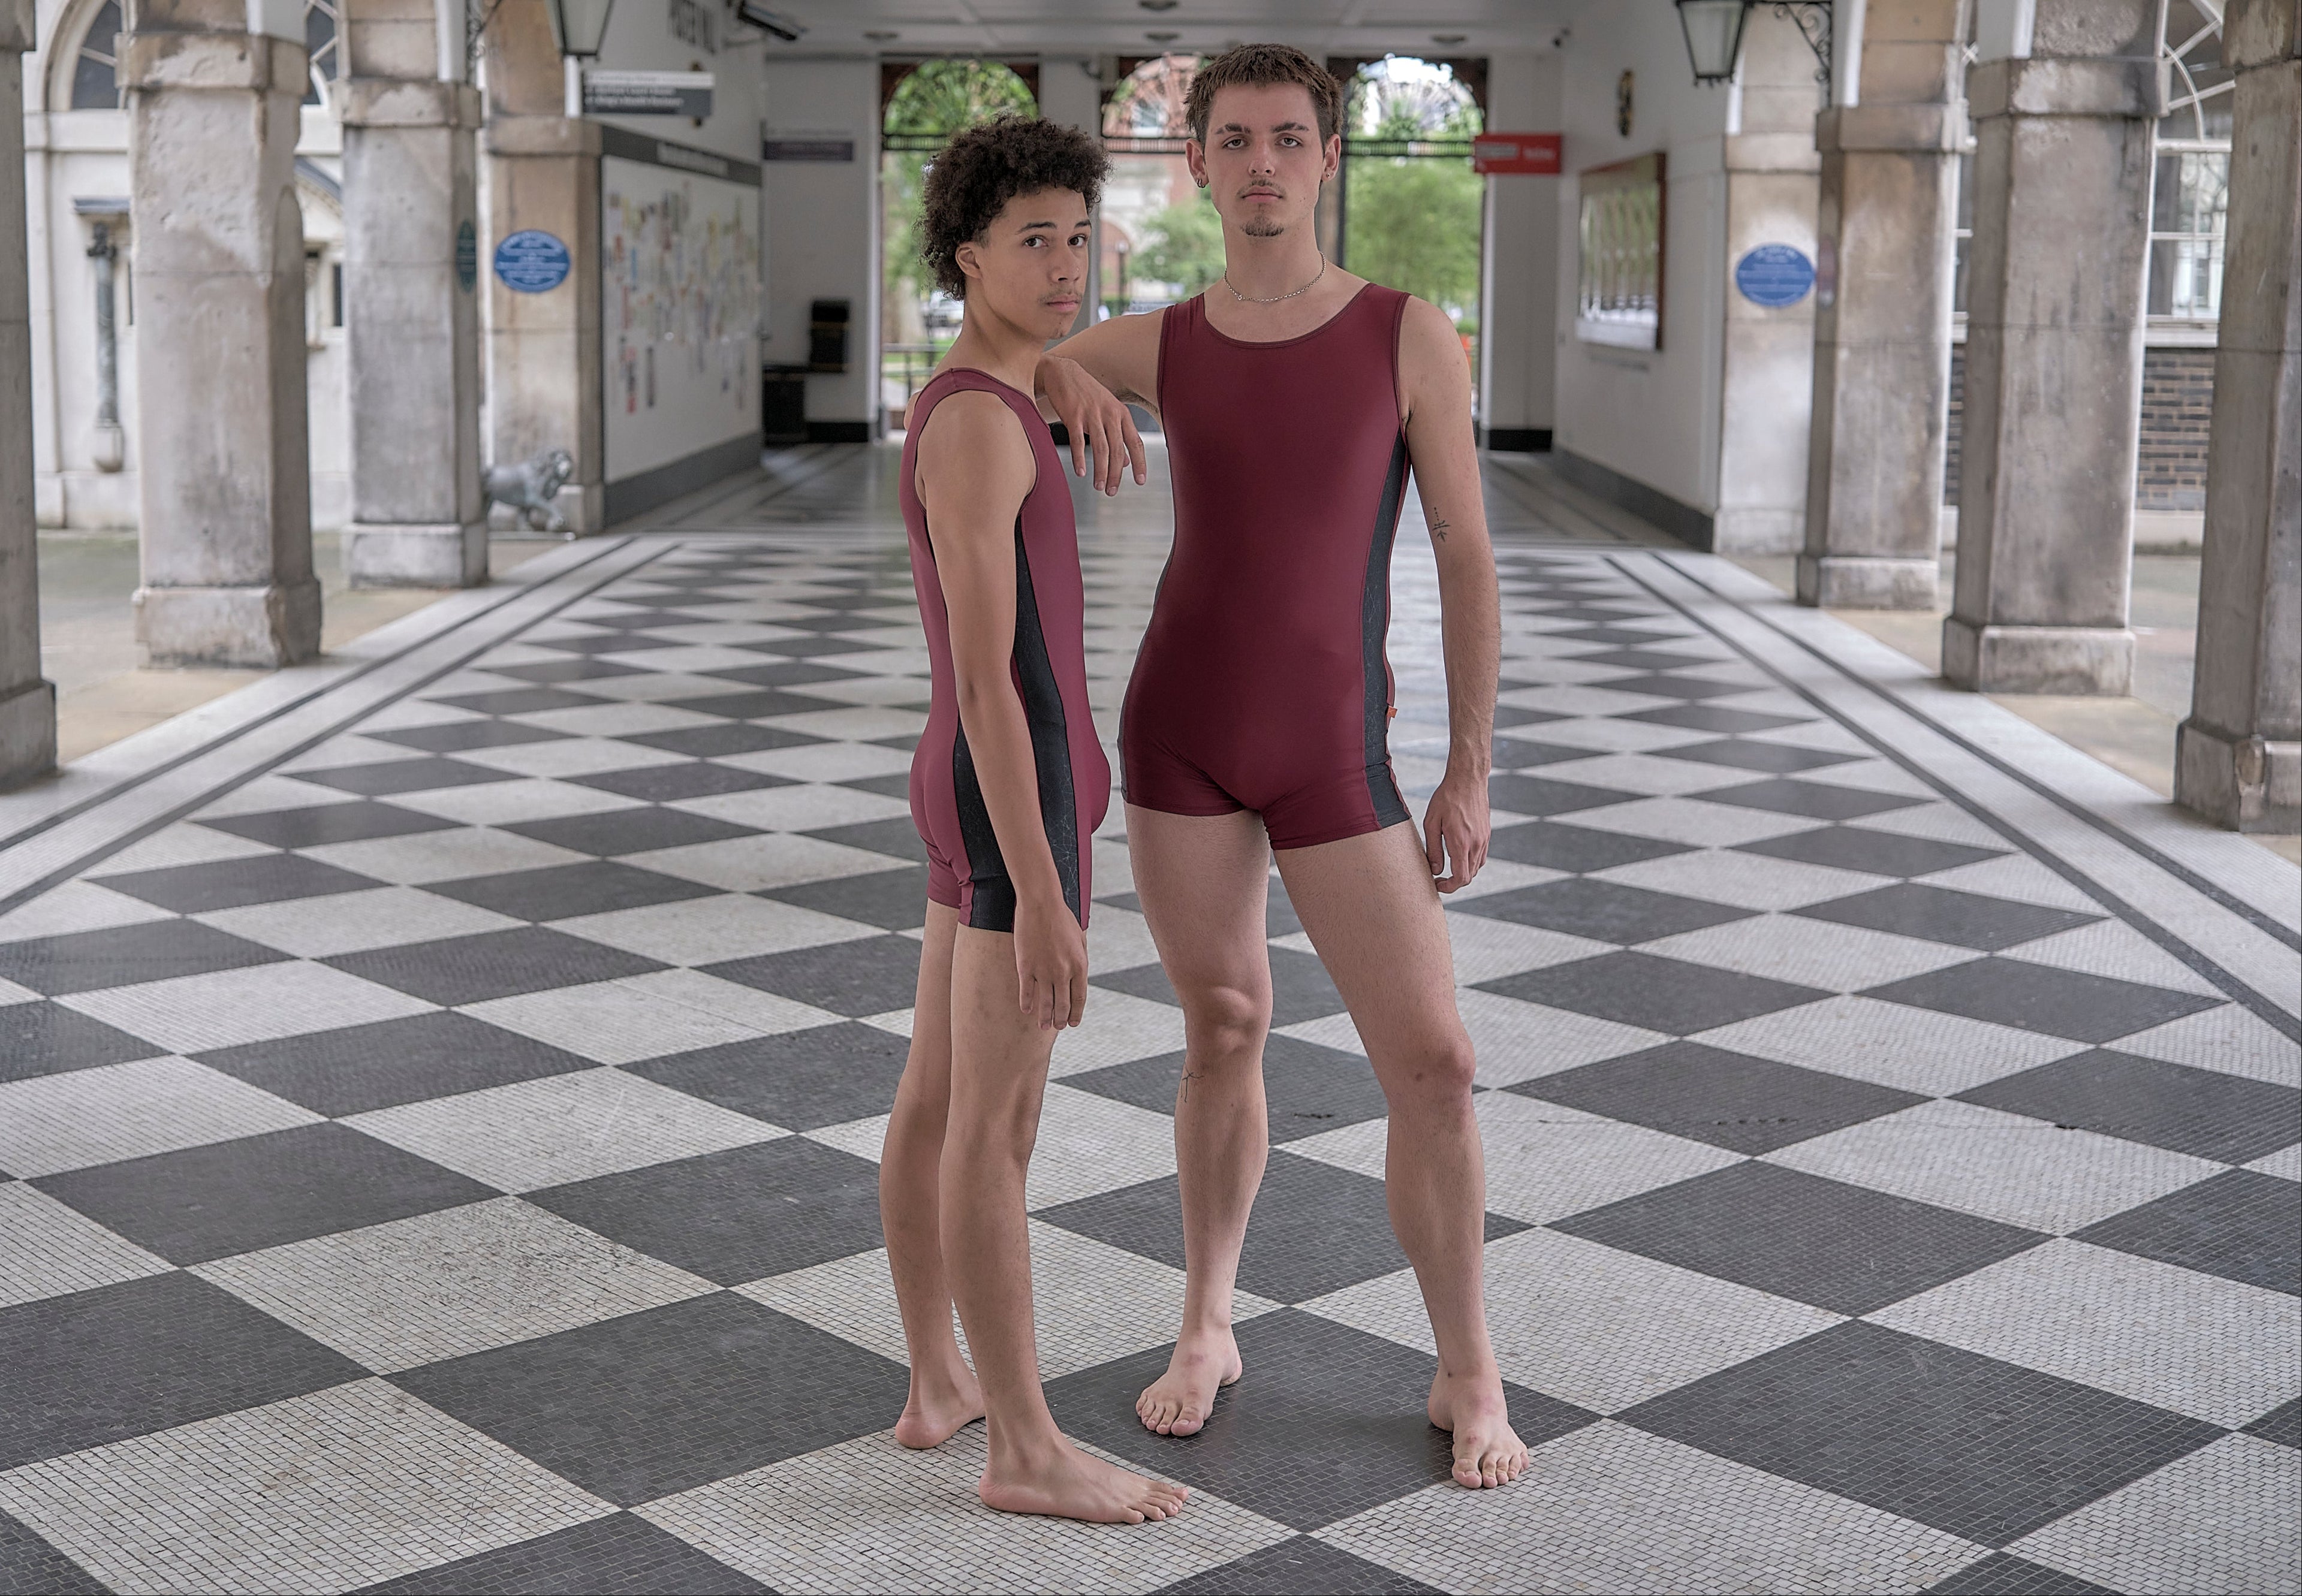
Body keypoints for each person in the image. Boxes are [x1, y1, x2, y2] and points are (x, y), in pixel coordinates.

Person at [1036, 44, 1528, 1491]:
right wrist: (1069, 376)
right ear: (1196, 164)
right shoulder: (1169, 340)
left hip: (1335, 751)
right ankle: (1206, 1323)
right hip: (1180, 729)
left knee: (1434, 1064)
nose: (1262, 163)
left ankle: (1466, 1364)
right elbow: (996, 349)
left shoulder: (1402, 333)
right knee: (1224, 1028)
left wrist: (1469, 767)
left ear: (1327, 159)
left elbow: (1462, 552)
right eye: (1235, 139)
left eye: (1289, 138)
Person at [877, 115, 1189, 1526]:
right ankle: (1026, 1450)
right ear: (968, 259)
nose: (1066, 266)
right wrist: (1049, 887)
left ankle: (940, 1382)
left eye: (1078, 236)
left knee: (937, 1105)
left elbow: (1043, 359)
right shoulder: (979, 434)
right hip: (1013, 802)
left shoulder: (985, 395)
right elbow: (1005, 693)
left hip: (974, 797)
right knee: (995, 1137)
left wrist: (1061, 369)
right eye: (1033, 244)